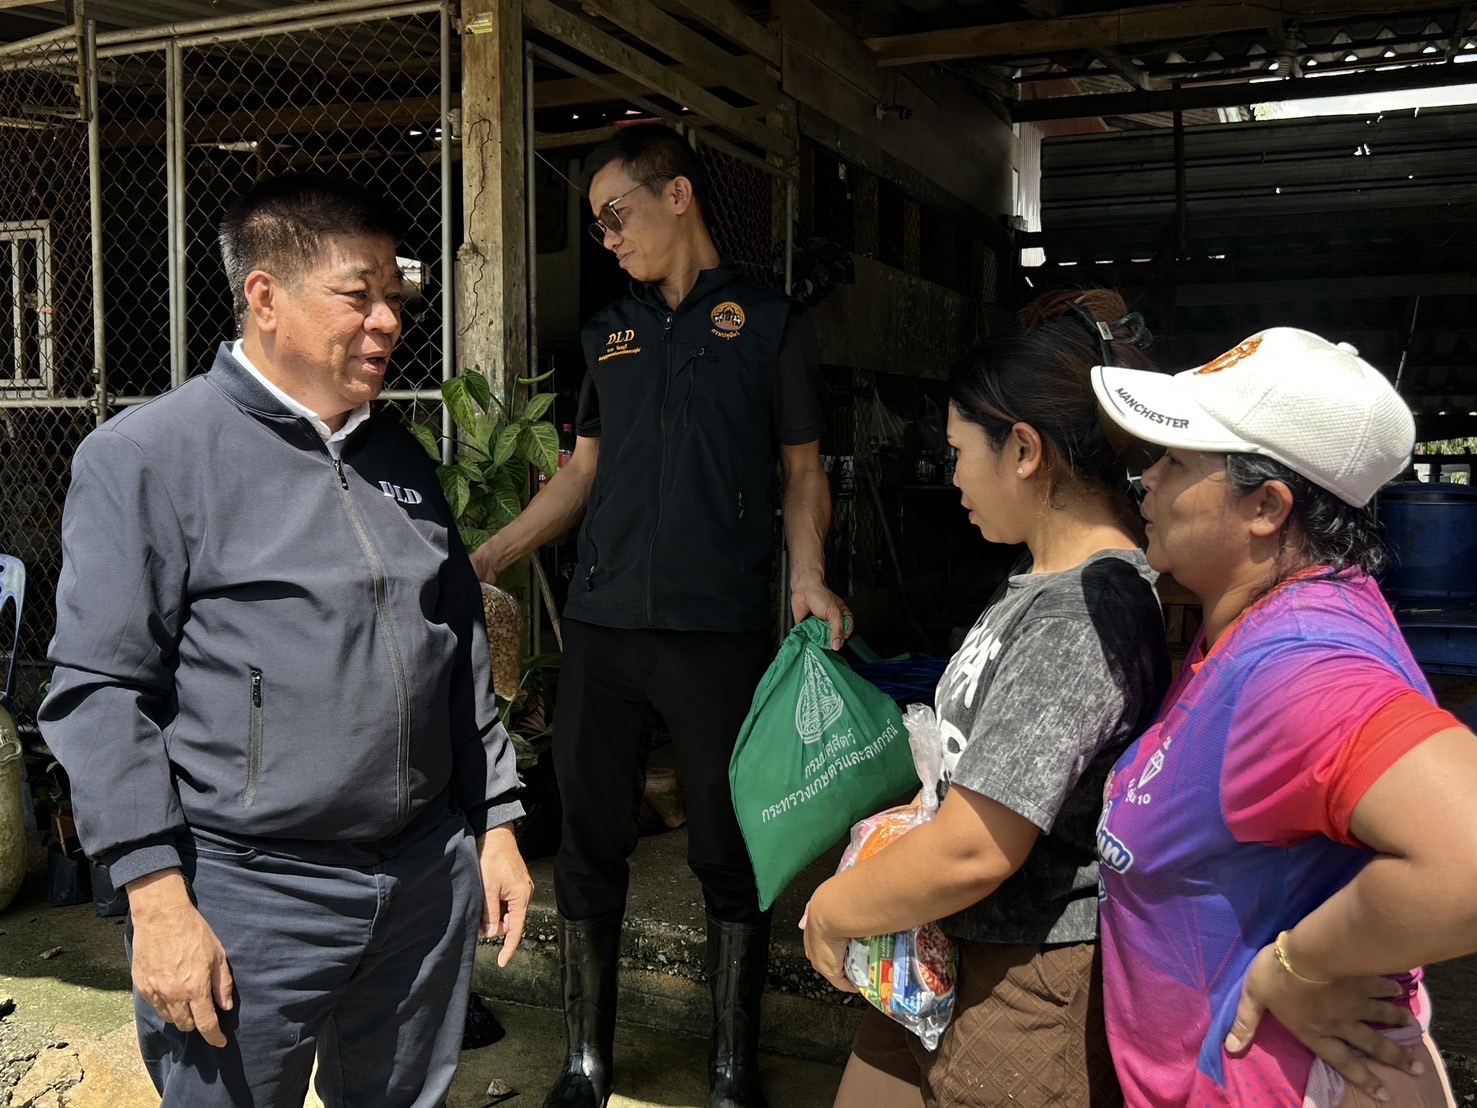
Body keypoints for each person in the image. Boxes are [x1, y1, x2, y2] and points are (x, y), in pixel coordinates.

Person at [39, 173, 532, 1107]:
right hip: (246, 896)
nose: (387, 320)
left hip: (420, 880)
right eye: (358, 294)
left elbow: (457, 648)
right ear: (265, 296)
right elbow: (100, 690)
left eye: (394, 296)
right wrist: (155, 896)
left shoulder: (397, 455)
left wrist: (495, 821)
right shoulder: (150, 457)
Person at [471, 122, 845, 1108]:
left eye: (616, 216)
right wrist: (490, 556)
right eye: (598, 225)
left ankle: (730, 1067)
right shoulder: (610, 332)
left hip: (714, 629)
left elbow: (803, 472)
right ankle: (584, 1061)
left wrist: (808, 574)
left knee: (726, 844)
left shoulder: (770, 323)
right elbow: (581, 474)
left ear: (677, 194)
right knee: (590, 836)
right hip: (601, 627)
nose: (607, 239)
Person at [802, 289, 1171, 1108]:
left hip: (1020, 981)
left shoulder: (1085, 614)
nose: (954, 474)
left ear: (1024, 450)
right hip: (937, 940)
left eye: (959, 450)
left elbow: (977, 847)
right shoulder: (1037, 580)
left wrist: (832, 908)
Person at [1091, 327, 1477, 1107]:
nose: (1145, 480)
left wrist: (1297, 962)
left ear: (1265, 506)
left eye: (1175, 462)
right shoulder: (1261, 617)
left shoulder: (1295, 667)